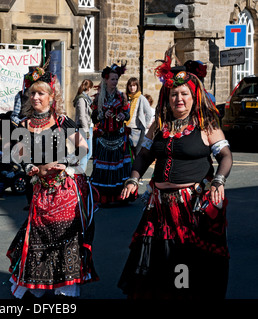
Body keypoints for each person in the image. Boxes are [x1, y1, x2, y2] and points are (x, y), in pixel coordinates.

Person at [117, 54, 233, 299]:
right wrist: (133, 178)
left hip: (190, 207)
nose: (178, 99)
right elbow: (144, 154)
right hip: (158, 206)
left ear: (194, 97)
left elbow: (225, 156)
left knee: (185, 261)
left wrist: (219, 180)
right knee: (155, 261)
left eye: (184, 94)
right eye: (173, 94)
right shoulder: (159, 125)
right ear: (167, 97)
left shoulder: (206, 124)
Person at [6, 67, 98, 299]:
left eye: (40, 94)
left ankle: (64, 287)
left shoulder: (62, 122)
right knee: (38, 236)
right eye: (32, 94)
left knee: (64, 238)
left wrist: (66, 162)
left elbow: (83, 147)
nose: (35, 98)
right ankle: (38, 284)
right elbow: (17, 153)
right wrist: (28, 167)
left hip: (65, 188)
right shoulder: (25, 125)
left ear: (51, 97)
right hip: (40, 189)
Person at [90, 63, 134, 204]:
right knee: (103, 168)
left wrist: (123, 116)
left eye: (116, 79)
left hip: (118, 137)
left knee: (119, 167)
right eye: (112, 79)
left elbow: (127, 114)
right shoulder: (98, 98)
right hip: (104, 137)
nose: (115, 82)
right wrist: (102, 114)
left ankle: (120, 197)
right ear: (106, 80)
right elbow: (94, 117)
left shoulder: (122, 97)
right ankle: (103, 198)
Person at [125, 77, 154, 156]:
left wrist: (144, 125)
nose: (132, 88)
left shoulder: (141, 98)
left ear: (137, 86)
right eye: (130, 86)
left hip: (137, 130)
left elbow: (149, 113)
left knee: (137, 153)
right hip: (126, 128)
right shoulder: (126, 98)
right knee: (126, 153)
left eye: (134, 86)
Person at [73, 79, 95, 173]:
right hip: (83, 127)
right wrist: (86, 130)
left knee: (88, 153)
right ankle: (81, 173)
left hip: (88, 126)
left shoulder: (86, 98)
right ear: (89, 88)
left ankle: (80, 172)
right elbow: (82, 116)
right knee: (84, 153)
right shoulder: (81, 99)